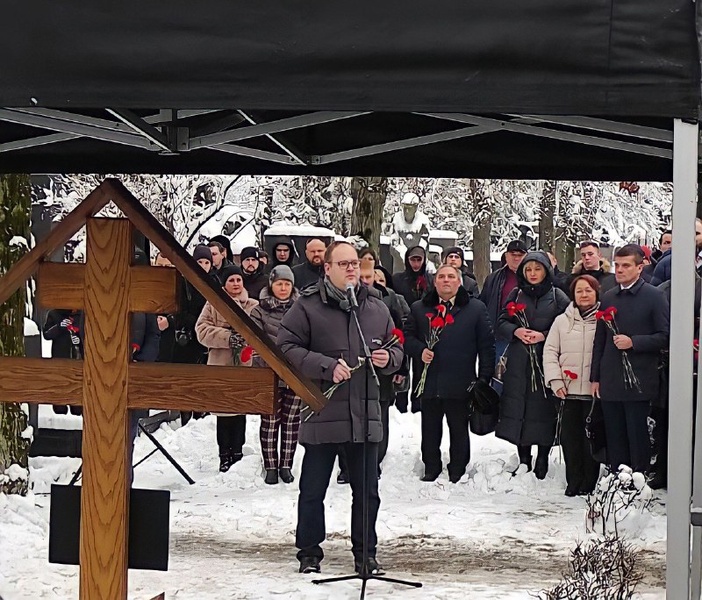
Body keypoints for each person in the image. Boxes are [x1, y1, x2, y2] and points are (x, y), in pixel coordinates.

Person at [277, 241, 403, 576]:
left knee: (367, 492)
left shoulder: (375, 307)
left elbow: (396, 349)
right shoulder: (306, 307)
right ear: (327, 268)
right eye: (343, 263)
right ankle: (308, 552)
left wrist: (389, 358)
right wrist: (325, 366)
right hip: (324, 410)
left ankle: (366, 554)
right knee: (313, 489)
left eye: (355, 263)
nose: (351, 268)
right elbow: (285, 346)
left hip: (364, 414)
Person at [404, 264, 495, 482]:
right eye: (441, 277)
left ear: (459, 281)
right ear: (435, 282)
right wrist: (420, 350)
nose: (446, 280)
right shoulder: (419, 308)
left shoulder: (475, 308)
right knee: (430, 428)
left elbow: (486, 345)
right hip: (430, 381)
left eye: (451, 277)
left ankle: (458, 468)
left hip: (461, 381)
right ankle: (431, 466)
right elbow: (406, 338)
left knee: (458, 428)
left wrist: (483, 378)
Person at [591, 244, 669, 473]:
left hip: (639, 377)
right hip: (611, 376)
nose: (620, 270)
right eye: (617, 265)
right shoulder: (608, 297)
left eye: (626, 266)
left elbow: (665, 337)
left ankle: (638, 476)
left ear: (640, 267)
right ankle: (617, 477)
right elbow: (600, 340)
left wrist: (634, 342)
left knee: (637, 433)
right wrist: (595, 377)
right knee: (614, 433)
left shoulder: (654, 296)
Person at [495, 251, 570, 479]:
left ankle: (543, 456)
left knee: (543, 407)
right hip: (519, 360)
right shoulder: (516, 295)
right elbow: (501, 322)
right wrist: (516, 331)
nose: (533, 274)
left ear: (546, 270)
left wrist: (544, 335)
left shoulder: (558, 296)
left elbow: (569, 326)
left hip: (545, 359)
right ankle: (524, 457)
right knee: (519, 406)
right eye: (528, 270)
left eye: (537, 269)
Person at [196, 264, 259, 473]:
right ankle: (224, 455)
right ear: (224, 283)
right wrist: (227, 337)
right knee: (223, 414)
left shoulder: (252, 305)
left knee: (240, 412)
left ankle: (238, 453)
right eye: (231, 280)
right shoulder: (213, 304)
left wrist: (246, 338)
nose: (235, 283)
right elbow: (201, 330)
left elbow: (261, 331)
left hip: (244, 365)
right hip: (220, 365)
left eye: (238, 280)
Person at [543, 275, 602, 496]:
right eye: (579, 291)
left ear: (596, 292)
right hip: (568, 392)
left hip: (593, 393)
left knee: (591, 440)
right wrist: (555, 380)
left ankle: (589, 482)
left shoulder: (604, 320)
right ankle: (573, 480)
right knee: (570, 439)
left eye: (588, 290)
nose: (584, 295)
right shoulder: (561, 321)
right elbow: (550, 351)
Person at [250, 265, 302, 485]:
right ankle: (270, 465)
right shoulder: (259, 310)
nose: (283, 288)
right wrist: (269, 363)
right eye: (279, 283)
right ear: (271, 285)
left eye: (287, 284)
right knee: (270, 420)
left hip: (296, 372)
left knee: (291, 421)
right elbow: (255, 340)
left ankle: (286, 465)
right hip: (268, 372)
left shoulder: (302, 309)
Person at [359, 264, 410, 476]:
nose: (364, 280)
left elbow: (399, 339)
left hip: (381, 373)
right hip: (351, 372)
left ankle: (375, 461)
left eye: (369, 276)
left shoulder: (386, 305)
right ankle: (347, 465)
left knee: (379, 417)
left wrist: (400, 366)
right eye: (360, 276)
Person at [173, 245, 215, 425]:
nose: (204, 265)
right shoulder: (184, 282)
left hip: (206, 335)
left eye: (207, 262)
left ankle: (200, 410)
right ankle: (184, 411)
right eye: (200, 261)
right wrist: (194, 321)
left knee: (204, 375)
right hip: (188, 334)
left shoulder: (214, 282)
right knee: (186, 375)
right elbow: (178, 307)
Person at [480, 240, 528, 361]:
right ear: (506, 256)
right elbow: (483, 304)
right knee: (497, 373)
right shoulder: (493, 278)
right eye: (513, 255)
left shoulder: (532, 278)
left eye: (520, 255)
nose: (516, 258)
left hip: (524, 334)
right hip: (498, 334)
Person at [43, 308, 84, 415]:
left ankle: (77, 409)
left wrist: (80, 341)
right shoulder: (54, 313)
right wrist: (59, 326)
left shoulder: (82, 315)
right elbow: (47, 334)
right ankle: (60, 409)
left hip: (77, 359)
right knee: (59, 384)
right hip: (59, 357)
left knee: (77, 385)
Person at [652, 219, 702, 285]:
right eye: (688, 233)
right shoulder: (666, 263)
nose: (692, 237)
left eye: (696, 233)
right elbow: (656, 291)